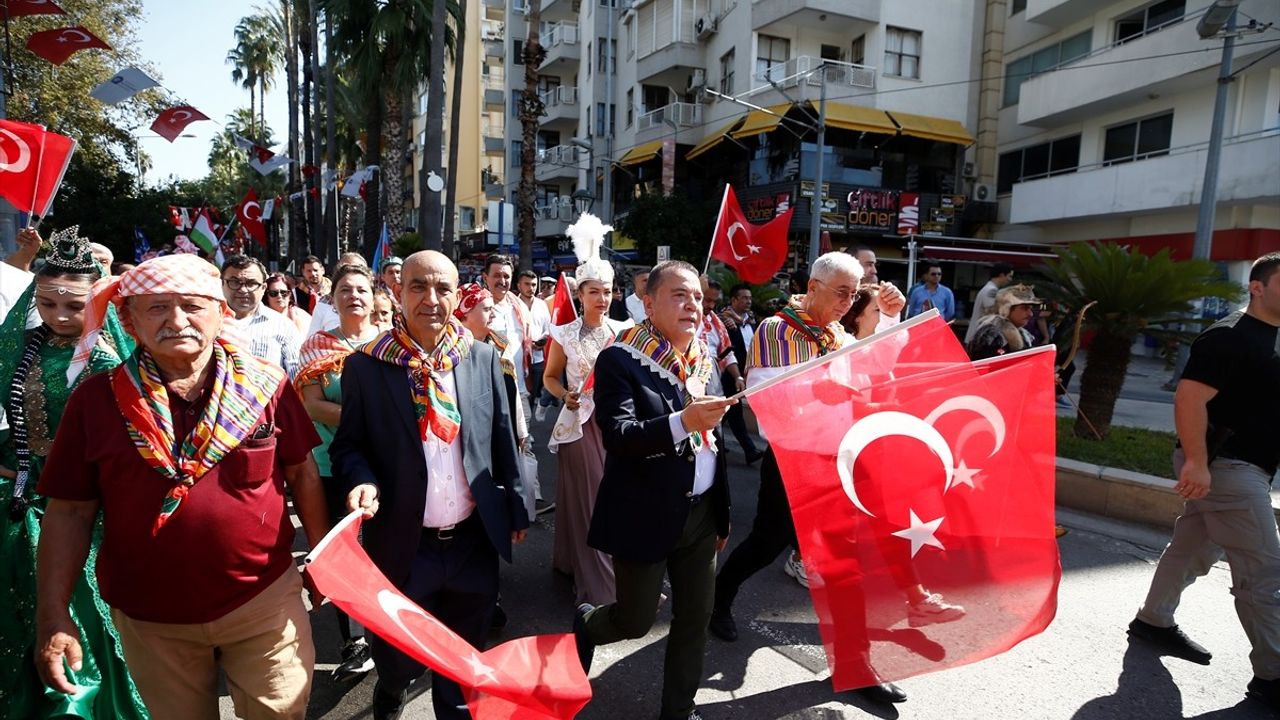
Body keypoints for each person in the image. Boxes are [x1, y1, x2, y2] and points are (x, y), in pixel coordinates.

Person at [34, 253, 330, 720]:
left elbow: (303, 473)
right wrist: (52, 614)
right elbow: (69, 511)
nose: (176, 320)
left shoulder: (267, 386)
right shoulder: (95, 400)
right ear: (129, 319)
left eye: (192, 306)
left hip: (263, 603)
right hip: (149, 618)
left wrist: (321, 558)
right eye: (156, 307)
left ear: (220, 311)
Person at [709, 251, 916, 705]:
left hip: (834, 462)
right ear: (814, 286)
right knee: (766, 544)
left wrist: (890, 319)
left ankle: (855, 666)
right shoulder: (776, 328)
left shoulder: (835, 332)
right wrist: (818, 388)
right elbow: (763, 396)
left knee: (844, 565)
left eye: (854, 293)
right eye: (842, 292)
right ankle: (719, 598)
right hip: (791, 462)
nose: (849, 301)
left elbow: (873, 369)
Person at [330, 251, 529, 720]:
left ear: (458, 295)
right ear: (398, 293)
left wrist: (517, 506)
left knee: (461, 666)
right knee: (399, 660)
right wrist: (362, 481)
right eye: (418, 286)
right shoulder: (366, 367)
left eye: (443, 289)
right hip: (403, 542)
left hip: (471, 542)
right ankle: (392, 689)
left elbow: (502, 437)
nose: (431, 299)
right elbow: (349, 447)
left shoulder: (481, 358)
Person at [573, 259, 734, 720]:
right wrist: (684, 421)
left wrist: (721, 512)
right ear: (648, 303)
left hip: (701, 514)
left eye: (698, 297)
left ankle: (678, 712)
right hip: (645, 510)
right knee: (635, 620)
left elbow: (716, 443)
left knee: (694, 619)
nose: (692, 305)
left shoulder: (703, 357)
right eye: (679, 295)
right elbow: (619, 434)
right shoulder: (620, 358)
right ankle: (586, 622)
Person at [0, 227, 144, 719]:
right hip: (22, 508)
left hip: (89, 512)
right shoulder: (22, 350)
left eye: (74, 306)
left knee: (84, 623)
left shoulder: (107, 361)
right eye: (47, 303)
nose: (59, 316)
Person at [1128, 252, 1280, 712]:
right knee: (1264, 575)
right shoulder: (1229, 338)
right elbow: (1189, 399)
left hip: (1244, 466)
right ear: (1258, 287)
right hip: (1228, 468)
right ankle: (1274, 675)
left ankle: (1153, 621)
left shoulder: (1273, 336)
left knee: (1193, 549)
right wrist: (1196, 462)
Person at [296, 263, 383, 681]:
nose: (354, 296)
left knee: (385, 548)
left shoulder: (389, 343)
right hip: (332, 464)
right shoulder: (316, 346)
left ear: (373, 296)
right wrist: (365, 420)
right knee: (347, 550)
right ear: (332, 299)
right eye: (345, 289)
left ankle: (389, 629)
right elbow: (311, 404)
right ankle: (355, 642)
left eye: (362, 289)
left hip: (387, 462)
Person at [544, 218, 632, 606]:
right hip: (579, 427)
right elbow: (548, 377)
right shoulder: (563, 333)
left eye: (608, 291)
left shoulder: (625, 330)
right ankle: (601, 583)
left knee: (614, 499)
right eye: (594, 291)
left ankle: (569, 560)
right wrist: (565, 395)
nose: (602, 298)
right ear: (580, 294)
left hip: (617, 425)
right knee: (591, 502)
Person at [222, 255, 302, 377]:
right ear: (222, 284)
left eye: (251, 283)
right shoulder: (207, 323)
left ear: (263, 288)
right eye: (234, 282)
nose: (243, 290)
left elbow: (296, 377)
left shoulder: (284, 326)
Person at [719, 283, 762, 464]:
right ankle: (750, 450)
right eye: (744, 298)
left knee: (726, 411)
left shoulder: (751, 321)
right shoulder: (725, 321)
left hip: (745, 372)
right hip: (729, 373)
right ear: (733, 300)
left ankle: (716, 441)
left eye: (750, 298)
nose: (748, 301)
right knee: (734, 411)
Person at [965, 284, 1041, 361]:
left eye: (1031, 309)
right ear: (1006, 308)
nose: (1030, 314)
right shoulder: (991, 336)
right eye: (1024, 308)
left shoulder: (1025, 336)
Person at [517, 270, 553, 422]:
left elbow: (548, 327)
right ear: (519, 285)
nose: (530, 288)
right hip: (518, 358)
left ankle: (527, 428)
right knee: (519, 395)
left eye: (533, 285)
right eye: (527, 284)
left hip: (537, 358)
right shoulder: (513, 304)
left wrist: (543, 339)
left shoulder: (541, 305)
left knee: (532, 394)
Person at [308, 253, 369, 337]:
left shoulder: (378, 302)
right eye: (344, 269)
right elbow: (311, 340)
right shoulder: (324, 303)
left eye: (356, 269)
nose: (350, 273)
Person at [964, 262, 1014, 344]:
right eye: (1009, 276)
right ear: (1001, 275)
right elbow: (992, 313)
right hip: (978, 337)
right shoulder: (991, 290)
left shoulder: (990, 289)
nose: (1010, 279)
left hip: (978, 336)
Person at [265, 271, 313, 336]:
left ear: (289, 295)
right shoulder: (259, 317)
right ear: (267, 296)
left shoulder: (302, 316)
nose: (279, 296)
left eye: (283, 293)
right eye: (273, 293)